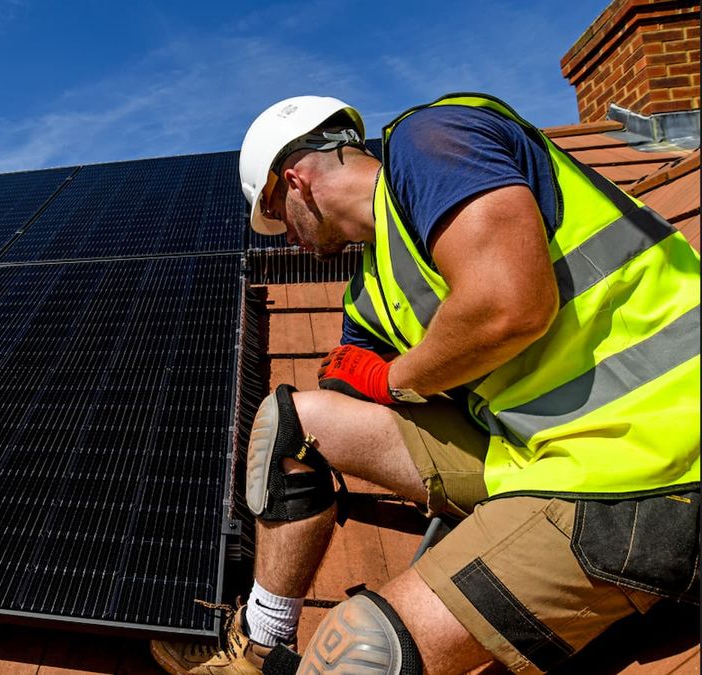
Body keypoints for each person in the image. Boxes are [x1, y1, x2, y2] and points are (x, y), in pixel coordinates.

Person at [151, 93, 700, 675]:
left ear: (295, 182)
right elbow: (348, 396)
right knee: (288, 422)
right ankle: (259, 647)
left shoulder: (434, 139)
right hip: (538, 452)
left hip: (658, 464)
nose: (285, 239)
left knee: (359, 654)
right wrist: (358, 385)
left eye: (278, 218)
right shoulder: (369, 291)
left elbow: (506, 308)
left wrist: (392, 377)